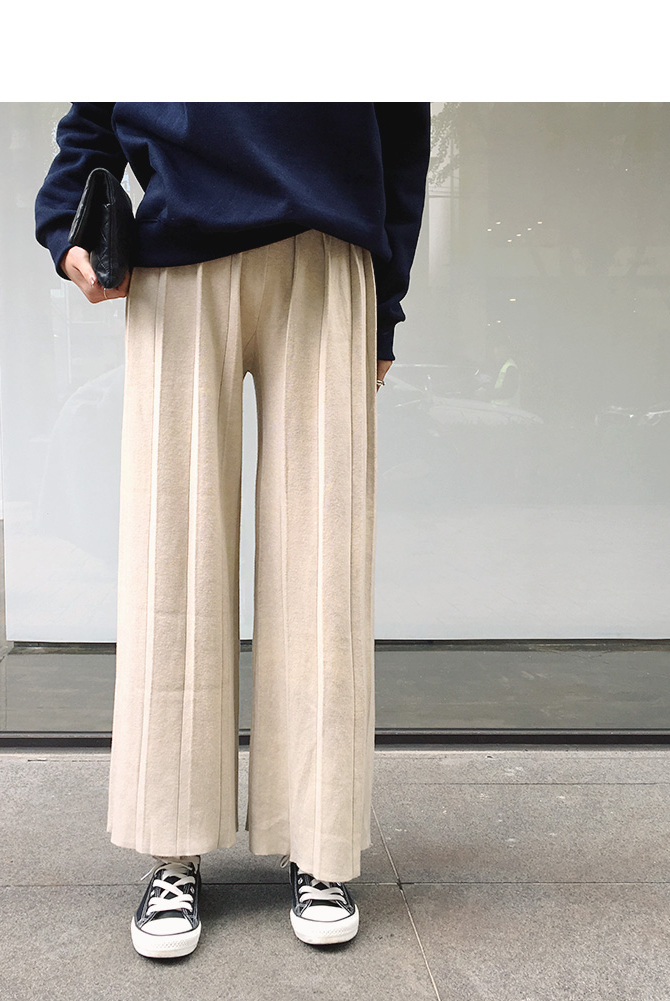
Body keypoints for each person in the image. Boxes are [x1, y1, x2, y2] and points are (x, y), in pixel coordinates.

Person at [35, 103, 430, 958]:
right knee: (172, 557)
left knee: (324, 564)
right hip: (177, 254)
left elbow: (402, 130)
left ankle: (319, 841)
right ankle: (172, 845)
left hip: (328, 251)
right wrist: (67, 219)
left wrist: (386, 303)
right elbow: (93, 111)